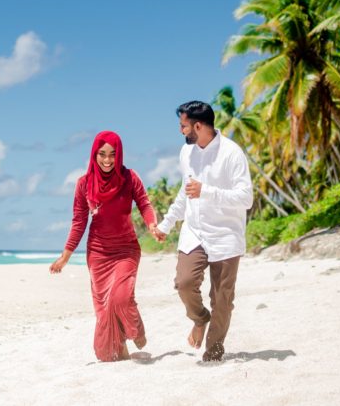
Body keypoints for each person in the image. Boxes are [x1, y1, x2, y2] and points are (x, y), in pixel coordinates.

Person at [154, 101, 253, 362]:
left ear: (198, 126)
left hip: (226, 236)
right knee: (184, 283)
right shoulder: (186, 154)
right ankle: (200, 318)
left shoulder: (232, 153)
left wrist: (206, 191)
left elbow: (246, 198)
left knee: (222, 299)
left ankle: (214, 351)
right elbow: (185, 192)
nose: (181, 130)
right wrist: (166, 224)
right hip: (195, 232)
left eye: (183, 125)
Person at [50, 130, 159, 362]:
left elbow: (145, 204)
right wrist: (64, 257)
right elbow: (79, 222)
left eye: (112, 154)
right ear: (94, 154)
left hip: (126, 250)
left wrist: (152, 225)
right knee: (104, 310)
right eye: (102, 154)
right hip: (98, 253)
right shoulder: (84, 184)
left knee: (120, 298)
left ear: (119, 154)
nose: (108, 160)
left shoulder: (130, 178)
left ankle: (136, 328)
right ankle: (119, 350)